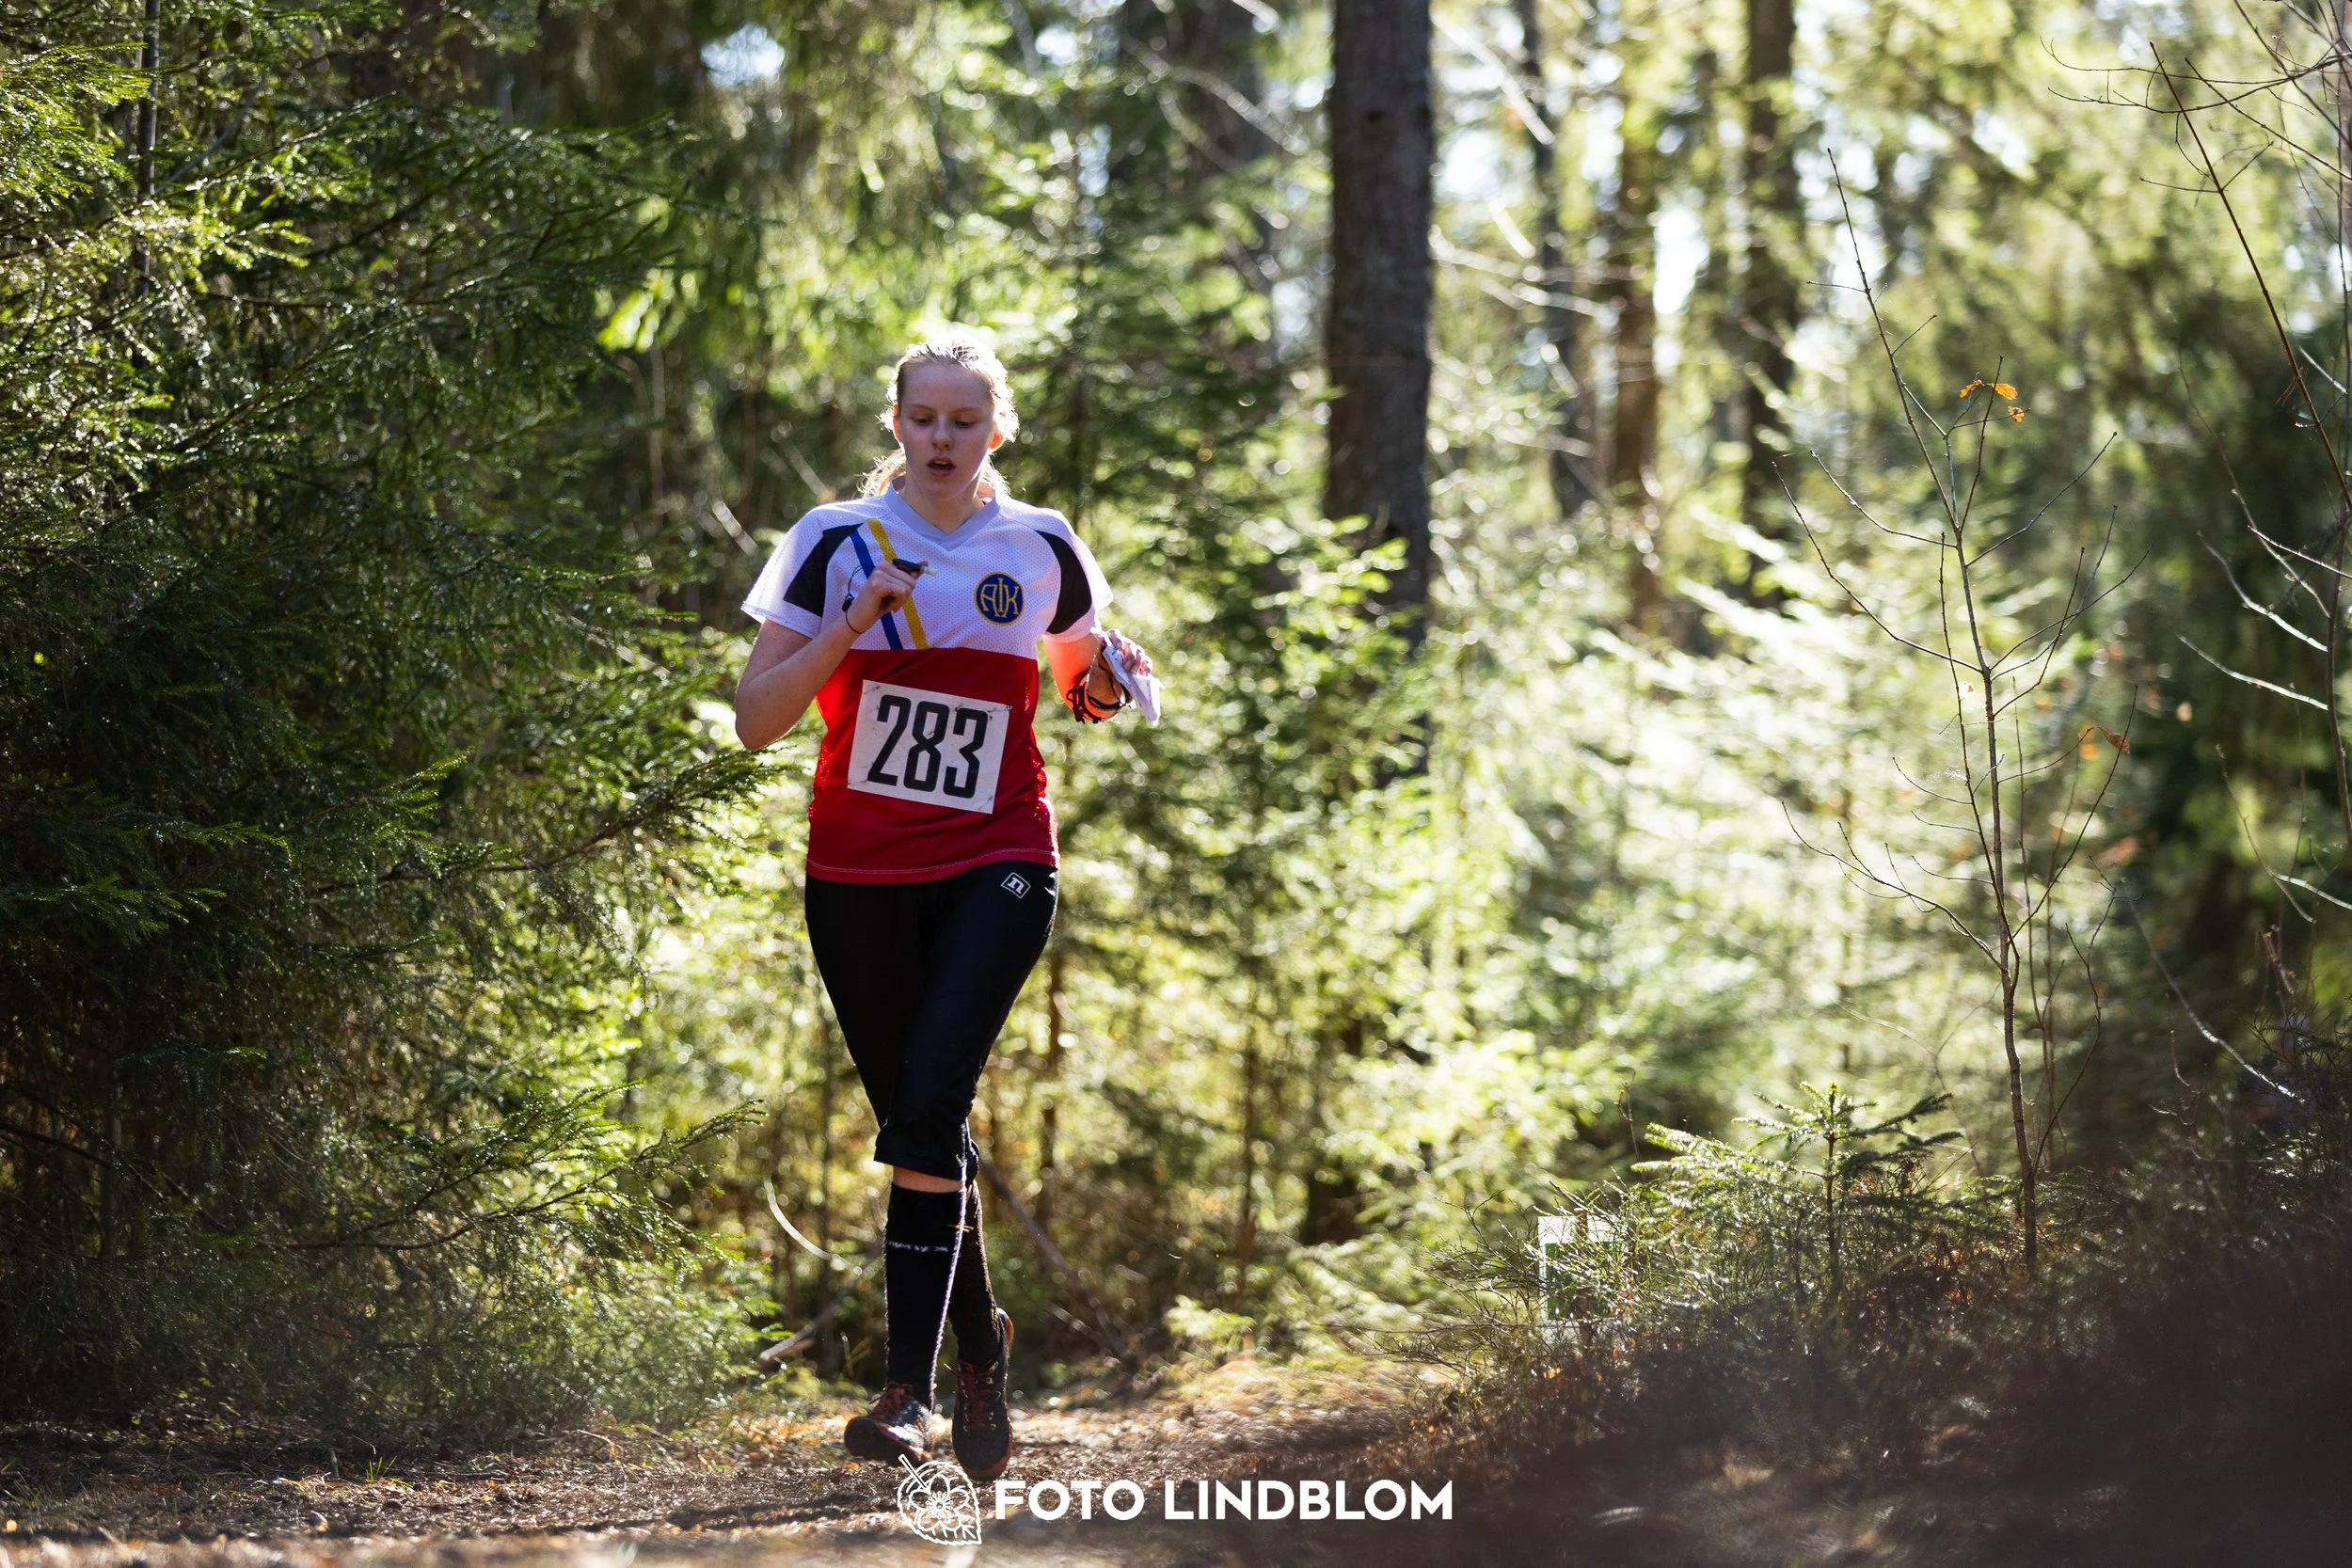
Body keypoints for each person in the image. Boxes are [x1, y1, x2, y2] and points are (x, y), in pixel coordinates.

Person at [732, 333, 1150, 1480]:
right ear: (897, 425)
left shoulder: (1043, 544)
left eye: (966, 420)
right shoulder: (831, 542)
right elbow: (755, 718)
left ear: (995, 432)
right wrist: (846, 624)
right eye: (924, 418)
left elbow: (1080, 687)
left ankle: (905, 1395)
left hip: (997, 852)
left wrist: (1106, 678)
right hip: (859, 869)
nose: (942, 438)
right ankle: (982, 1343)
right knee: (923, 1125)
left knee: (930, 1101)